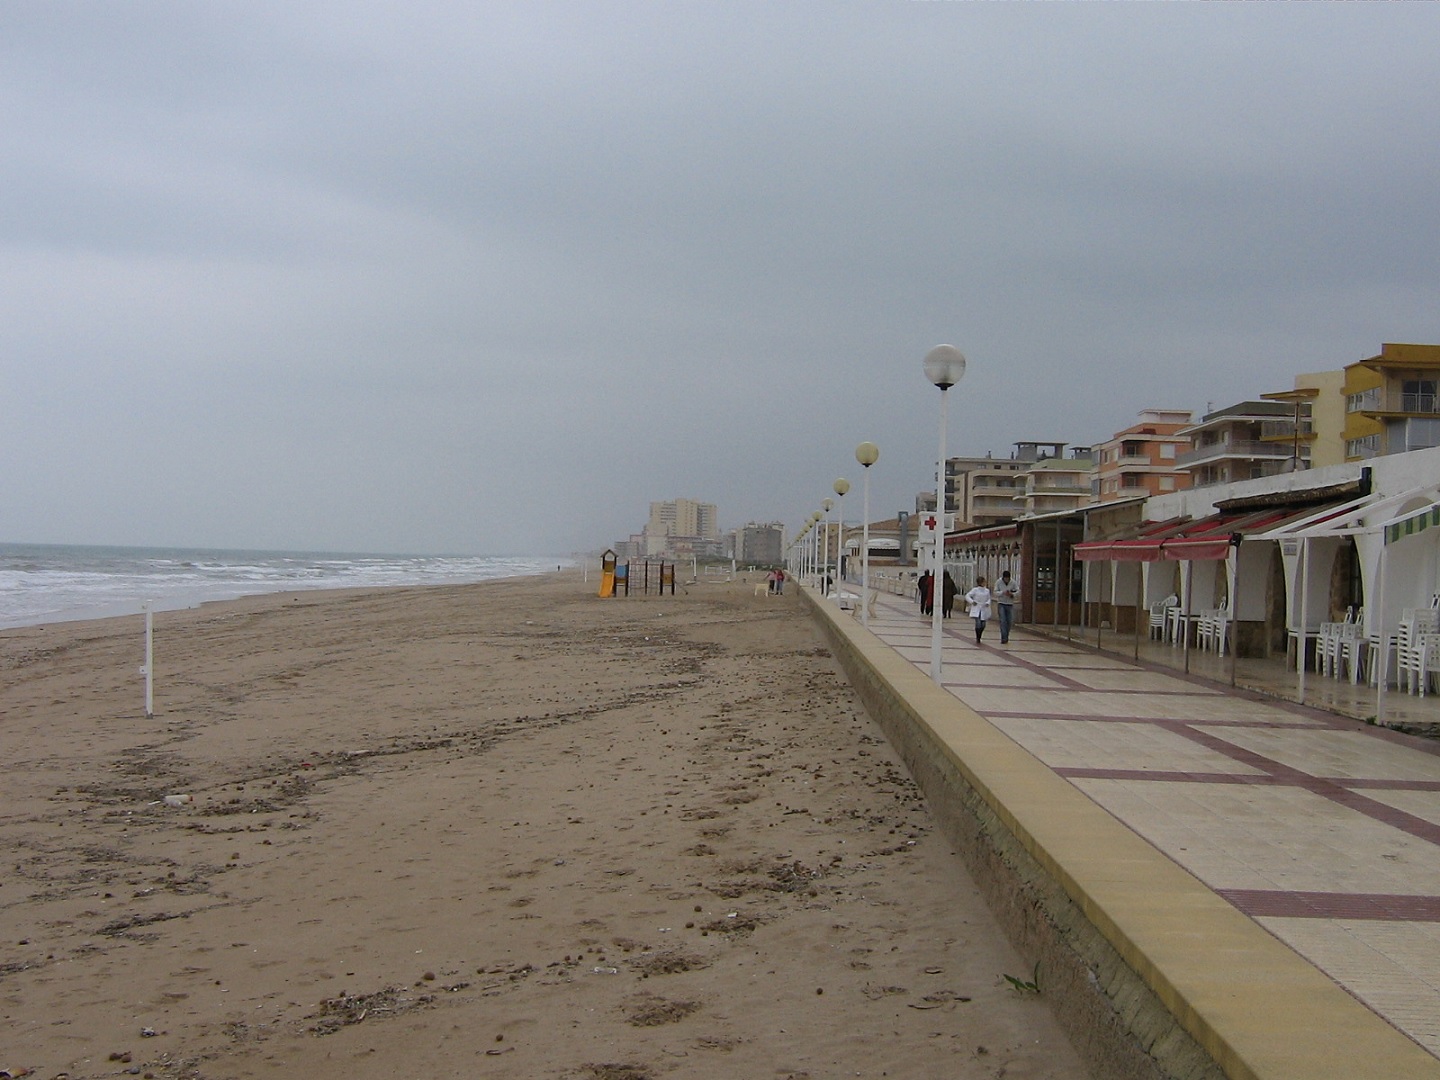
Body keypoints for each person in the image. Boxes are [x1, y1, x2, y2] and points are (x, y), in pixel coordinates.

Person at [993, 569, 1020, 644]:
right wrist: (1002, 593)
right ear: (1003, 578)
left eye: (1008, 579)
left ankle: (1006, 635)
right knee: (1003, 620)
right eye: (1005, 579)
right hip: (1001, 603)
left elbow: (1018, 591)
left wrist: (1012, 594)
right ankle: (1004, 637)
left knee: (1009, 621)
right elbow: (995, 592)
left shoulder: (1013, 582)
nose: (1007, 580)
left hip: (1010, 604)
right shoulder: (998, 582)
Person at [965, 576, 992, 645]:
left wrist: (987, 603)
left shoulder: (987, 590)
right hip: (977, 608)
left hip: (984, 608)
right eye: (984, 582)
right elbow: (967, 596)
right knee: (978, 623)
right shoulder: (975, 590)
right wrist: (972, 601)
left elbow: (989, 598)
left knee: (983, 624)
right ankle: (978, 637)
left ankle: (980, 634)